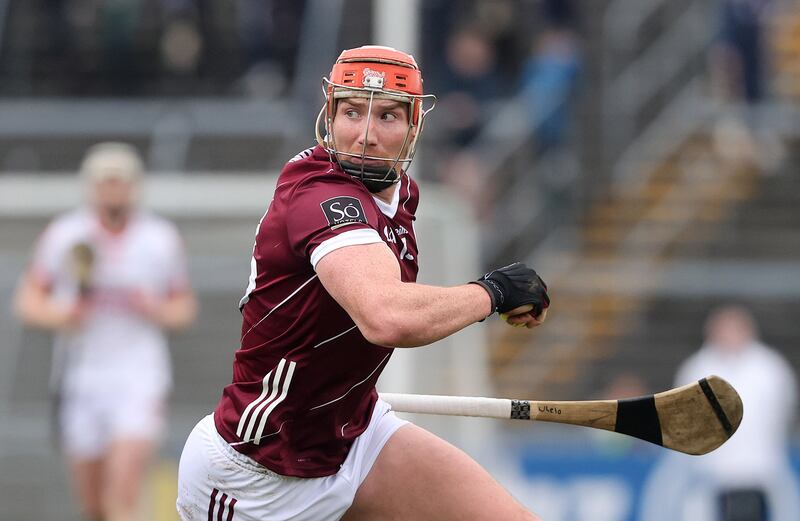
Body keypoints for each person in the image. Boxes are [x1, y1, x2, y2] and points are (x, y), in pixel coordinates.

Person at [175, 45, 550, 521]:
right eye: (352, 112)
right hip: (256, 477)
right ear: (329, 113)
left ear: (415, 126)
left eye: (388, 117)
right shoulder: (321, 196)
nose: (366, 136)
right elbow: (385, 316)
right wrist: (493, 293)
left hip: (354, 438)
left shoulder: (401, 193)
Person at [13, 142, 198, 521]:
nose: (113, 190)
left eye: (121, 182)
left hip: (137, 374)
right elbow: (28, 302)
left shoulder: (158, 239)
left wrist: (154, 309)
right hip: (81, 376)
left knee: (124, 490)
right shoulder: (66, 235)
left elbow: (183, 309)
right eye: (105, 182)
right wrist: (63, 315)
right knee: (94, 504)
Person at [672, 305, 799, 521]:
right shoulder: (697, 367)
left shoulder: (769, 367)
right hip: (710, 471)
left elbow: (785, 408)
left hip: (760, 468)